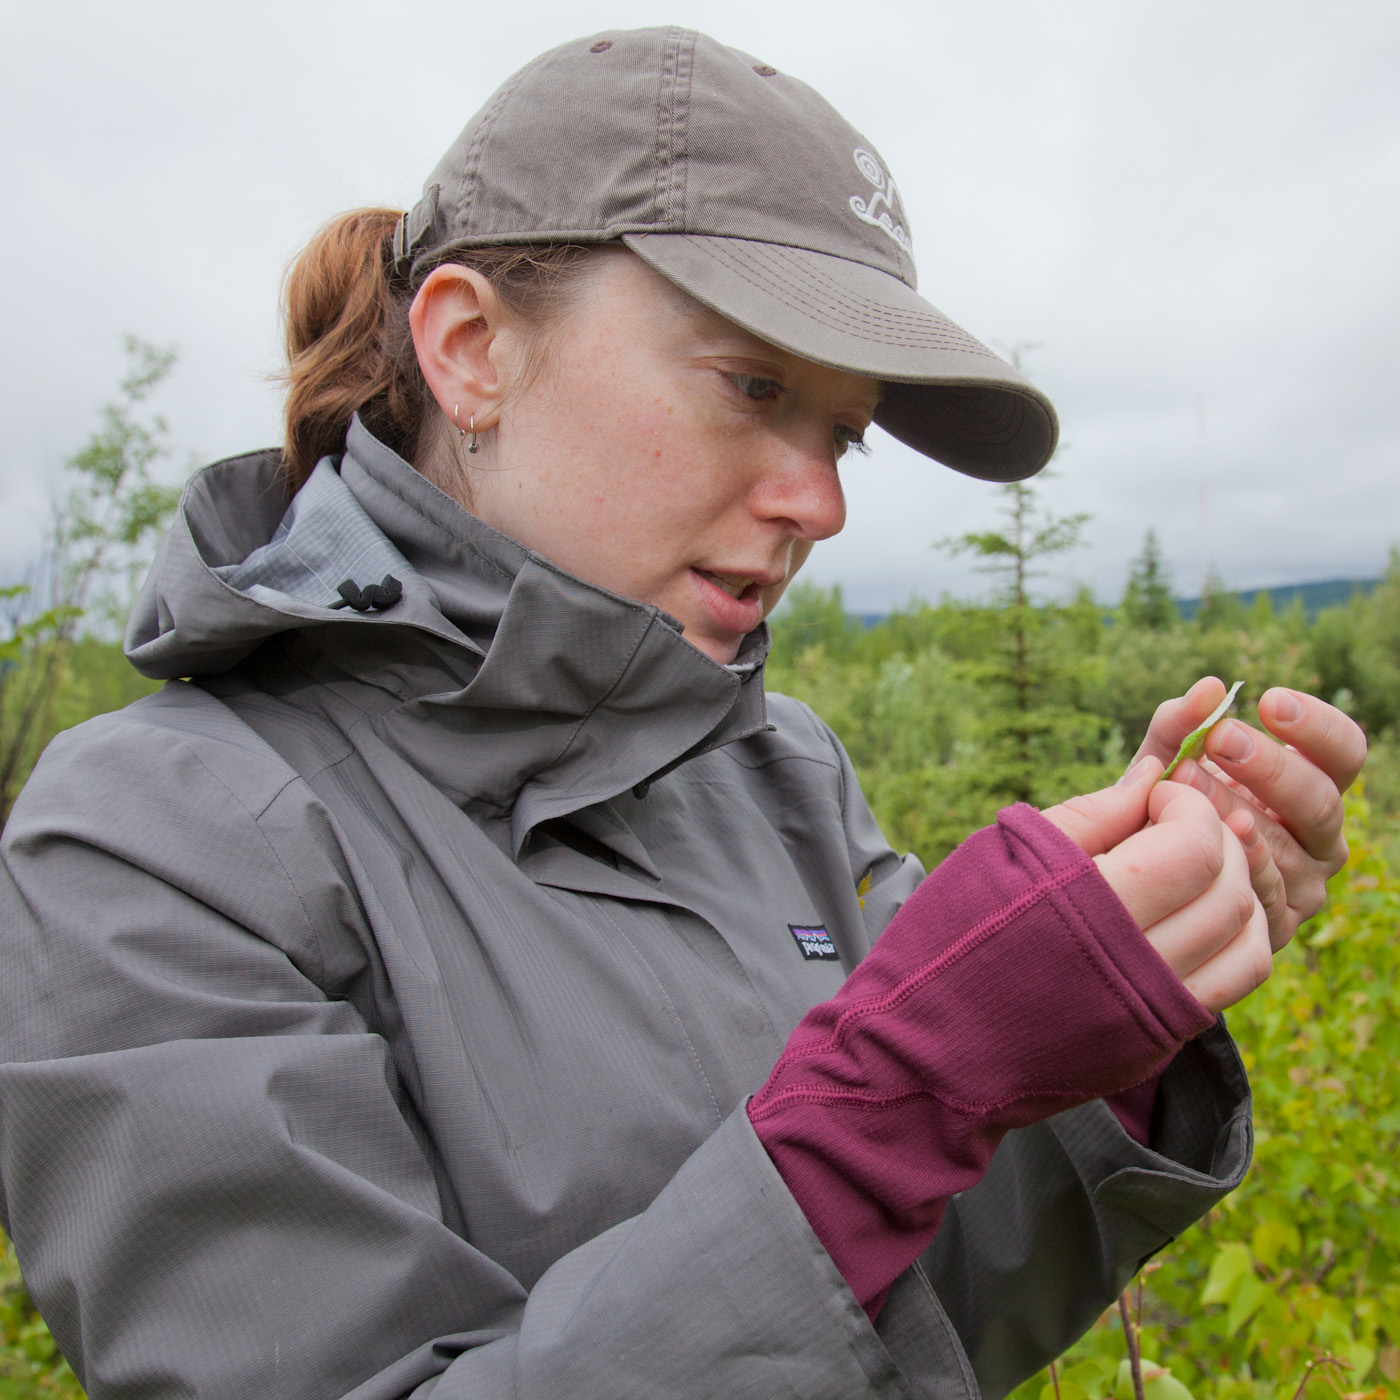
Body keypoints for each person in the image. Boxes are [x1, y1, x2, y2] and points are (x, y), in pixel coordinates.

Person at [0, 26, 1364, 1400]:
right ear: (472, 349)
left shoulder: (785, 777)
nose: (822, 503)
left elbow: (919, 1334)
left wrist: (1103, 1027)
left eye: (840, 432)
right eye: (754, 385)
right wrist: (905, 1086)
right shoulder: (145, 848)